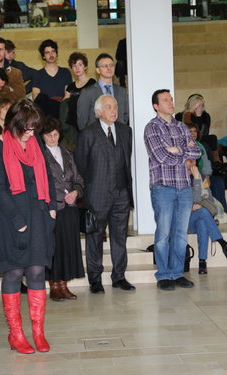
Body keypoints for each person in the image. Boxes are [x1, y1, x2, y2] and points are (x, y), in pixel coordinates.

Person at [0, 99, 56, 354]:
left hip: (38, 215)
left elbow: (47, 174)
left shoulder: (35, 143)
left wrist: (51, 209)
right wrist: (17, 221)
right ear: (14, 123)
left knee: (37, 271)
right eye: (26, 128)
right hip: (11, 217)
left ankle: (38, 332)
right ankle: (16, 333)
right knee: (14, 273)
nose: (31, 133)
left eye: (34, 128)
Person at [75, 95, 135, 294]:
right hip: (97, 195)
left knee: (120, 237)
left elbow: (126, 160)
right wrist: (86, 195)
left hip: (121, 194)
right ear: (99, 111)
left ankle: (119, 276)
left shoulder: (126, 131)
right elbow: (81, 166)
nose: (113, 110)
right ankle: (95, 279)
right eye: (109, 107)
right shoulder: (87, 134)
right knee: (94, 238)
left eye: (115, 106)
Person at [144, 89, 201, 291]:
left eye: (171, 99)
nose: (171, 102)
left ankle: (177, 273)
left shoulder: (181, 127)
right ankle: (164, 275)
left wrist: (178, 150)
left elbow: (197, 151)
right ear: (156, 106)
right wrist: (183, 155)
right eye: (165, 100)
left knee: (180, 234)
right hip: (163, 188)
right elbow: (161, 156)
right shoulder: (152, 128)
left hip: (184, 187)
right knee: (164, 234)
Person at [41, 118, 85, 301]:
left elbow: (79, 179)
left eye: (56, 134)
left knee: (68, 246)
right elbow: (40, 183)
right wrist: (57, 197)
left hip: (70, 207)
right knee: (54, 248)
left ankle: (64, 284)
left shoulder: (67, 153)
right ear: (42, 136)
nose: (53, 138)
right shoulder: (40, 155)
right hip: (52, 208)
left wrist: (76, 192)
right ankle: (54, 285)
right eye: (49, 135)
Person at [188, 163, 227, 274]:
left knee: (202, 221)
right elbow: (194, 200)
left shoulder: (202, 177)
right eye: (189, 161)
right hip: (185, 221)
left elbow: (210, 202)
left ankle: (202, 262)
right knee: (202, 211)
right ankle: (223, 243)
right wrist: (196, 179)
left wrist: (198, 204)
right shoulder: (181, 179)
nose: (193, 164)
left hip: (199, 217)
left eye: (194, 161)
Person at [77, 53, 129, 130]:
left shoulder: (122, 91)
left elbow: (125, 116)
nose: (109, 68)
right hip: (95, 138)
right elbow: (82, 122)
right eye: (105, 66)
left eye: (111, 65)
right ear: (98, 70)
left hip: (118, 136)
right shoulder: (87, 93)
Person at [32, 39, 72, 118]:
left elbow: (67, 95)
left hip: (60, 111)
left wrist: (58, 107)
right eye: (47, 52)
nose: (51, 55)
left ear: (57, 53)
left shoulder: (65, 72)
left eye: (53, 51)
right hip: (44, 112)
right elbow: (35, 95)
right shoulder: (38, 74)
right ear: (43, 56)